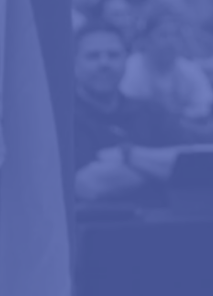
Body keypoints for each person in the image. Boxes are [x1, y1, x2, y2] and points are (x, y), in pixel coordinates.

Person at [70, 24, 184, 203]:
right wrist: (158, 168)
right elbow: (87, 186)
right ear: (74, 62)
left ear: (126, 59)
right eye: (93, 56)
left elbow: (188, 168)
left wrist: (128, 155)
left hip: (160, 226)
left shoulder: (154, 112)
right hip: (93, 228)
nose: (104, 63)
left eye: (113, 55)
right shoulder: (61, 121)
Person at [121, 6, 213, 122]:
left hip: (186, 130)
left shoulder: (188, 68)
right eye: (163, 35)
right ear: (146, 39)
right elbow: (127, 109)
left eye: (176, 35)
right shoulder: (131, 68)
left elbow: (206, 105)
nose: (171, 42)